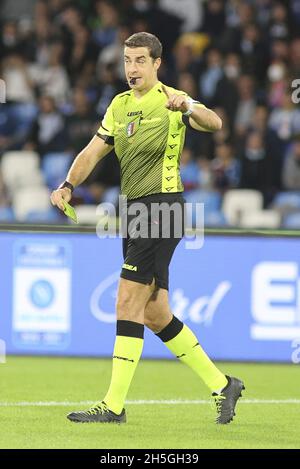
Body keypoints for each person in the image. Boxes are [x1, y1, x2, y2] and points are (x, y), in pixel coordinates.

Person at [50, 32, 245, 425]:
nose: (131, 68)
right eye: (127, 60)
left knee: (126, 302)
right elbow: (93, 150)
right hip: (134, 213)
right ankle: (223, 384)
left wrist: (189, 105)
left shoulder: (172, 99)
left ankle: (113, 405)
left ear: (158, 63)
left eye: (140, 60)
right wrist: (69, 184)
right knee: (155, 312)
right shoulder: (119, 106)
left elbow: (215, 122)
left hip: (164, 208)